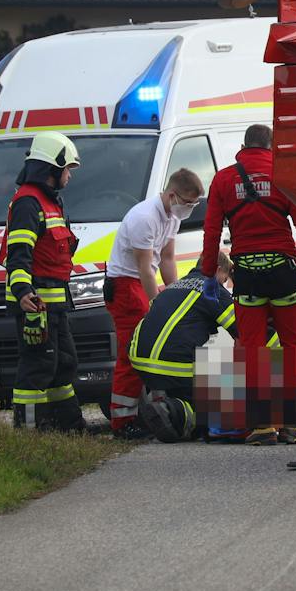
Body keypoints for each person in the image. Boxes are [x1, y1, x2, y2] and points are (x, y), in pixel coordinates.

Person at [199, 125, 296, 352]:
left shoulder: (223, 179)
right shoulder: (286, 176)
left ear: (243, 147)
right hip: (283, 274)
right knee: (295, 348)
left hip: (247, 278)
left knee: (252, 352)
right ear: (272, 148)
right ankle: (295, 388)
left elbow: (212, 232)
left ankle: (258, 388)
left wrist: (209, 273)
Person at [103, 169, 204, 437]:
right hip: (126, 284)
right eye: (188, 203)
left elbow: (168, 259)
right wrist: (158, 304)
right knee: (132, 353)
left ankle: (156, 413)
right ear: (172, 195)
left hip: (140, 283)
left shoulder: (172, 217)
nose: (189, 209)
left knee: (155, 349)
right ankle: (122, 423)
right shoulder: (144, 217)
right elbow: (145, 267)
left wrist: (176, 294)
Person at [0, 132, 85, 432]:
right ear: (52, 168)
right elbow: (19, 254)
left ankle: (69, 427)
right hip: (35, 305)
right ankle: (30, 433)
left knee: (64, 364)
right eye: (67, 169)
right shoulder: (28, 203)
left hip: (56, 305)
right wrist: (23, 292)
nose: (69, 176)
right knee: (38, 366)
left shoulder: (51, 203)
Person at [129, 266, 238, 442]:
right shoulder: (212, 287)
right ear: (218, 270)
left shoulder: (173, 286)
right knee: (221, 386)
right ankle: (172, 412)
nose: (224, 285)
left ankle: (168, 406)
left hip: (139, 360)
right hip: (174, 364)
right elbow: (241, 328)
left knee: (201, 365)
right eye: (225, 279)